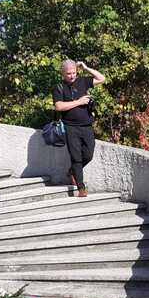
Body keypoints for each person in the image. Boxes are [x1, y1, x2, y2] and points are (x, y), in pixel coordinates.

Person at [52, 59, 105, 197]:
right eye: (69, 73)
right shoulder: (58, 87)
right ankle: (81, 188)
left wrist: (86, 68)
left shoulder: (83, 82)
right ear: (63, 73)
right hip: (70, 127)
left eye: (74, 72)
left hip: (87, 125)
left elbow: (102, 78)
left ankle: (72, 171)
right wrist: (79, 102)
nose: (72, 76)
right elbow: (59, 106)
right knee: (76, 157)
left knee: (88, 154)